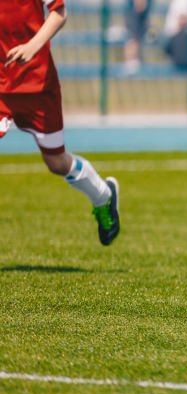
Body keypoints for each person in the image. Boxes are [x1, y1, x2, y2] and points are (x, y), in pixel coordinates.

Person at [1, 0, 121, 246]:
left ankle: (103, 196)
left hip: (37, 84)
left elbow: (59, 12)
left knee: (56, 161)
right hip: (1, 86)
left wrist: (32, 46)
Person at [123, 0, 152, 75]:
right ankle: (132, 62)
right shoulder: (131, 15)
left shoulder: (144, 15)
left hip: (141, 26)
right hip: (134, 27)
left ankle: (134, 62)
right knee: (132, 38)